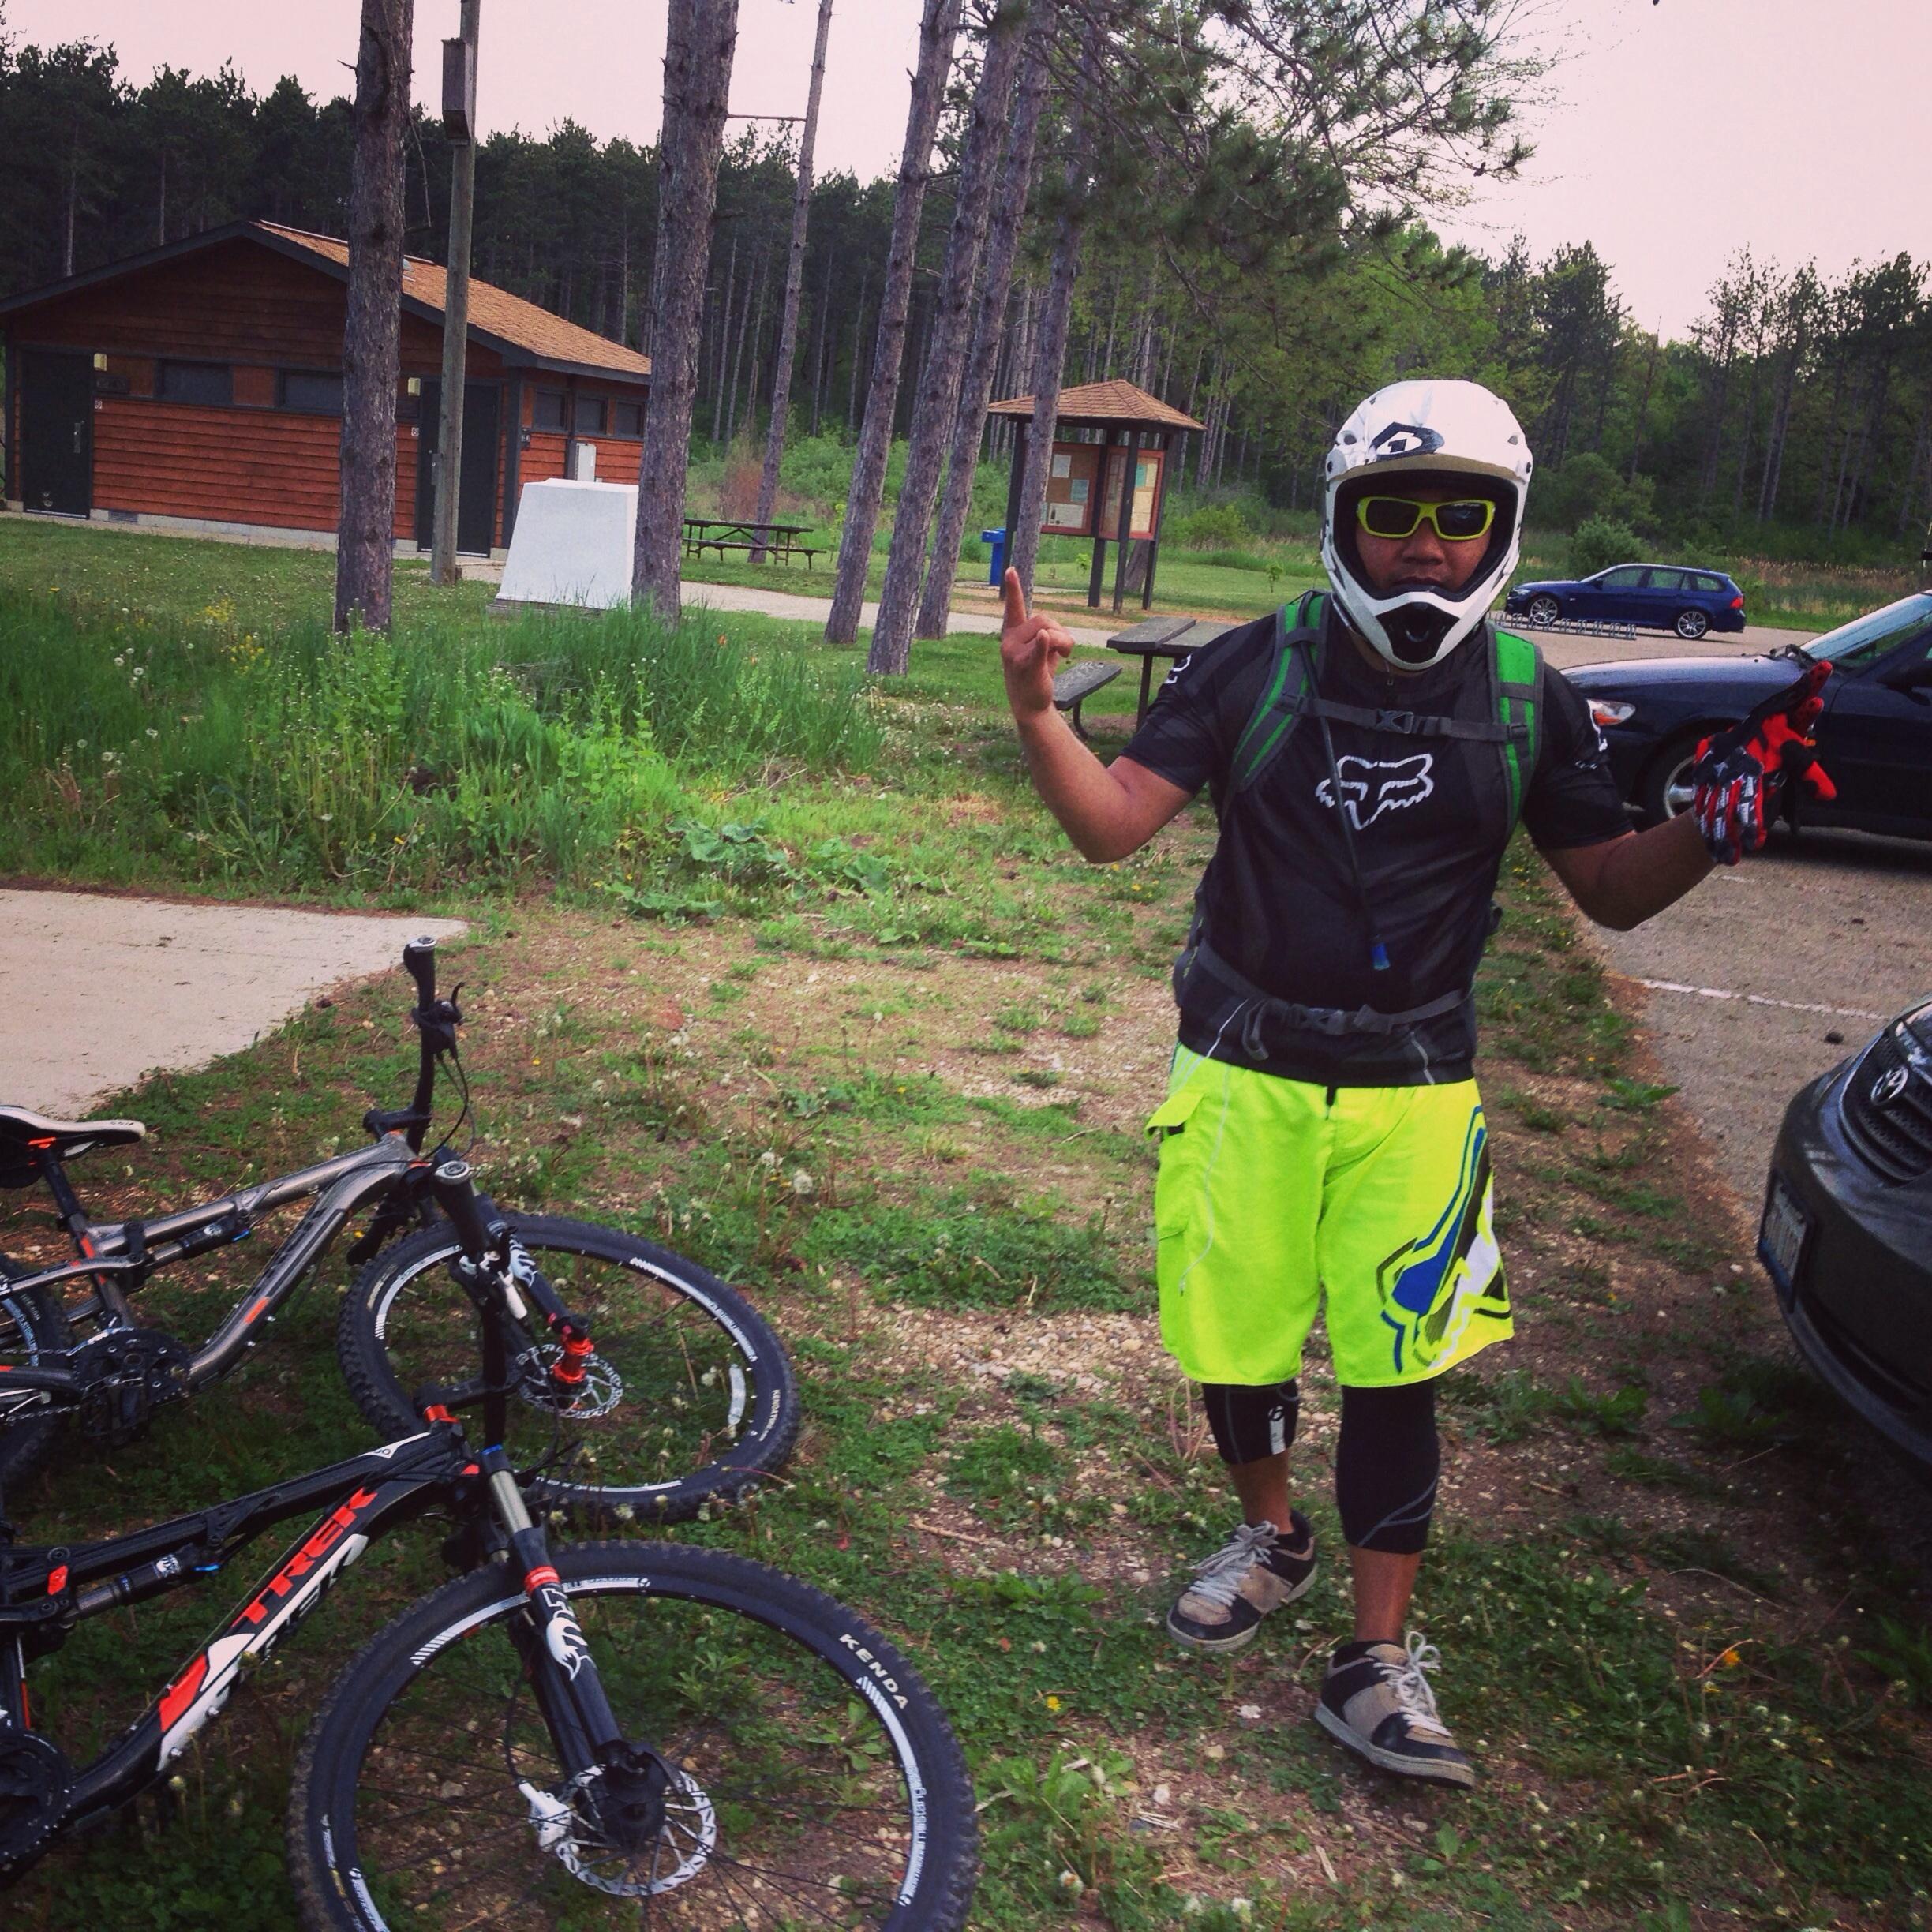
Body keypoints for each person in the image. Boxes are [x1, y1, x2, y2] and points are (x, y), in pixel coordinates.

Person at [997, 378, 1832, 1788]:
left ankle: (1377, 1661)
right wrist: (1037, 714)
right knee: (1236, 1342)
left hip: (1416, 1096)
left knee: (1400, 1371)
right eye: (1395, 515)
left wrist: (1706, 824)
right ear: (1346, 522)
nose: (1427, 545)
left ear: (1502, 528)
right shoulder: (1255, 665)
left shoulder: (1527, 700)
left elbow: (1611, 894)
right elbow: (1111, 830)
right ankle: (1271, 1536)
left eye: (1464, 516)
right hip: (1243, 1075)